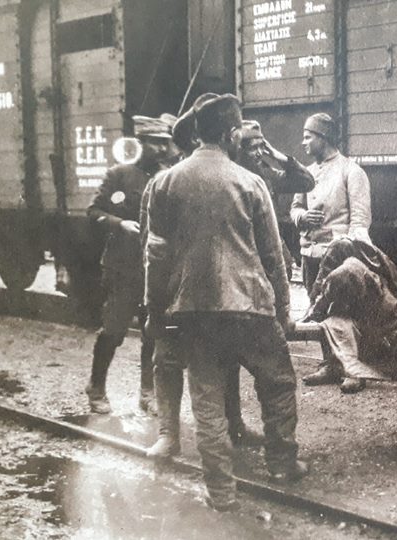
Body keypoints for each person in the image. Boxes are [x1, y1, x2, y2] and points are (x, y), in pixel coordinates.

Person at [145, 93, 306, 511]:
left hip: (193, 309)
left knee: (207, 397)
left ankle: (220, 491)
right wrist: (283, 311)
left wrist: (155, 309)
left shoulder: (163, 183)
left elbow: (155, 256)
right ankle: (281, 464)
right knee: (277, 382)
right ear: (232, 134)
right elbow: (273, 256)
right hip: (250, 306)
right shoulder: (250, 182)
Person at [143, 102, 263, 459]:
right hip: (173, 290)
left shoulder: (204, 179)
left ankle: (231, 425)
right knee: (168, 360)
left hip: (199, 291)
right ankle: (169, 434)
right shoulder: (163, 184)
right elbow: (151, 248)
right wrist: (152, 302)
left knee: (220, 359)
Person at [84, 115, 172, 415]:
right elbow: (93, 211)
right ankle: (96, 387)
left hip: (154, 269)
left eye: (165, 143)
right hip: (122, 268)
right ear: (141, 143)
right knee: (113, 330)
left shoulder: (167, 176)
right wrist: (119, 224)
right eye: (155, 143)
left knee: (153, 333)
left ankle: (147, 393)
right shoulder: (119, 175)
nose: (162, 149)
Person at [291, 112, 372, 394]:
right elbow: (294, 208)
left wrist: (348, 254)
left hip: (337, 257)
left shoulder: (351, 171)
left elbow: (360, 221)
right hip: (310, 253)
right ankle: (330, 364)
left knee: (343, 311)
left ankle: (353, 370)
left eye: (308, 136)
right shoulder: (305, 174)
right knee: (319, 309)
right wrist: (302, 218)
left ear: (323, 137)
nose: (303, 142)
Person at [237, 119, 315, 280]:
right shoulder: (230, 178)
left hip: (272, 253)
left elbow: (306, 182)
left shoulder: (266, 174)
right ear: (239, 150)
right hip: (245, 254)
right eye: (253, 148)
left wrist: (277, 155)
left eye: (261, 147)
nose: (259, 152)